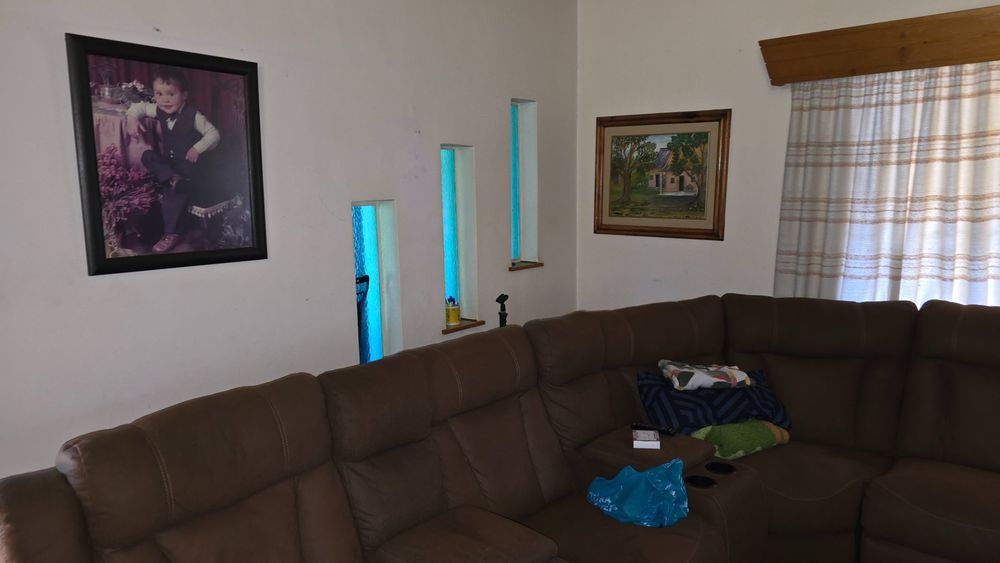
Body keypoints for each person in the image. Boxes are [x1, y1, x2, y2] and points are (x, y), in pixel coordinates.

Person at [126, 67, 220, 253]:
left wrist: (197, 148)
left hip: (189, 168)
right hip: (172, 165)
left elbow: (214, 135)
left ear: (184, 95)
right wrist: (131, 119)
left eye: (171, 94)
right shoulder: (159, 109)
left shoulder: (194, 116)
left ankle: (172, 233)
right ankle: (172, 178)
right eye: (159, 94)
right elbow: (139, 107)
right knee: (147, 155)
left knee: (173, 194)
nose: (164, 99)